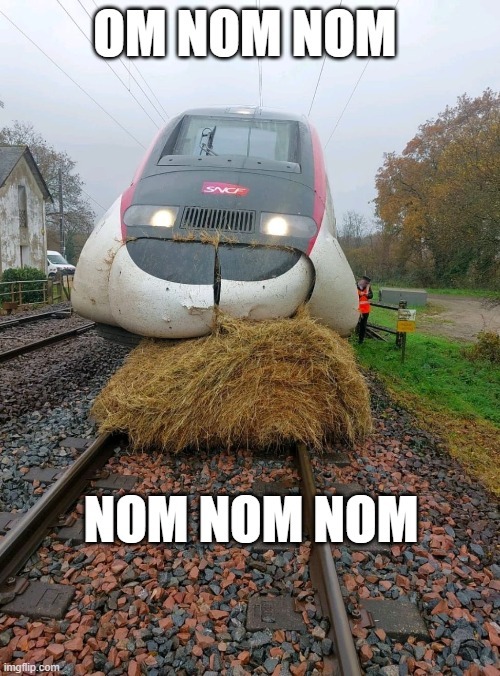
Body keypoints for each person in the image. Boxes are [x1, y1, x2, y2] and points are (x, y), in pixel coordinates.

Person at [356, 276, 373, 344]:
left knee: (363, 325)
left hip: (365, 309)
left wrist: (367, 295)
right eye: (365, 283)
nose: (366, 284)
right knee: (354, 323)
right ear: (362, 281)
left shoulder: (368, 287)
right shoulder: (355, 286)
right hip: (356, 309)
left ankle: (361, 340)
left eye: (367, 283)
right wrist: (360, 295)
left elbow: (371, 295)